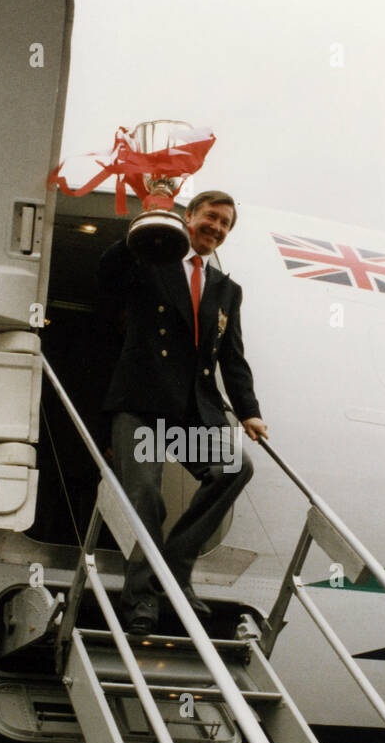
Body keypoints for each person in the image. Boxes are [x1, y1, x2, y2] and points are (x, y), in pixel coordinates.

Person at [98, 190, 268, 634]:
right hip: (141, 406)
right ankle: (141, 600)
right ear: (189, 217)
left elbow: (232, 357)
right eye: (211, 217)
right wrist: (149, 221)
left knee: (234, 469)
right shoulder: (152, 260)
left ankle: (173, 568)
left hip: (191, 413)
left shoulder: (227, 290)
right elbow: (109, 274)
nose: (217, 228)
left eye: (226, 224)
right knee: (148, 498)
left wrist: (248, 410)